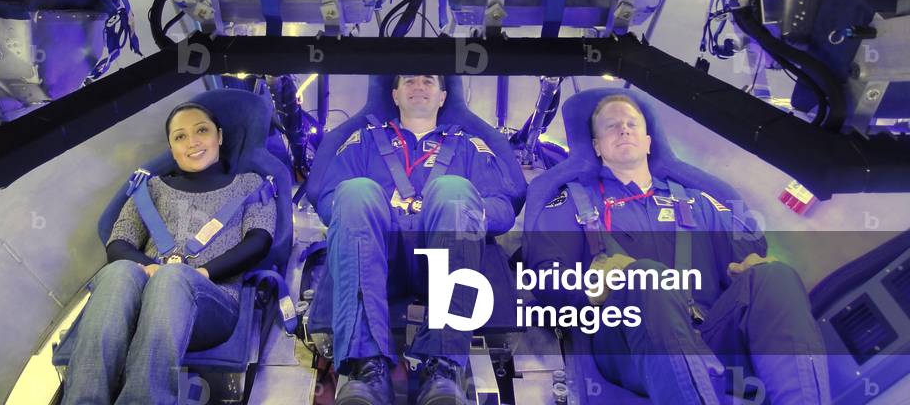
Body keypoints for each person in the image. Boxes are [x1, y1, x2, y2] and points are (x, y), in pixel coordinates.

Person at [525, 93, 829, 404]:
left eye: (632, 124)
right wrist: (591, 287)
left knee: (775, 275)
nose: (624, 130)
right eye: (611, 126)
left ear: (648, 141)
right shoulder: (572, 203)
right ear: (596, 146)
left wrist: (752, 265)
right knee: (646, 276)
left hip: (709, 332)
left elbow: (746, 253)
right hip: (627, 343)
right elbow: (545, 276)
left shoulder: (697, 200)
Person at [314, 75, 517, 405]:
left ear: (442, 97)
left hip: (445, 258)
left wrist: (455, 210)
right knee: (355, 191)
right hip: (378, 260)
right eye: (409, 80)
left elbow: (501, 206)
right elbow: (329, 200)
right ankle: (367, 370)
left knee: (453, 191)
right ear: (394, 94)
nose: (419, 86)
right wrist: (384, 211)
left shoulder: (468, 145)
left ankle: (443, 369)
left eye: (429, 81)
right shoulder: (363, 141)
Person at [60, 101, 276, 405]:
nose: (193, 142)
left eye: (201, 130)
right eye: (180, 136)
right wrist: (151, 269)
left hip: (213, 300)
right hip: (147, 288)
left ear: (220, 136)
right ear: (171, 147)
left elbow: (259, 240)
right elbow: (118, 243)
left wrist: (200, 274)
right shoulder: (149, 188)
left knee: (173, 279)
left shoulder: (249, 185)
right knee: (117, 271)